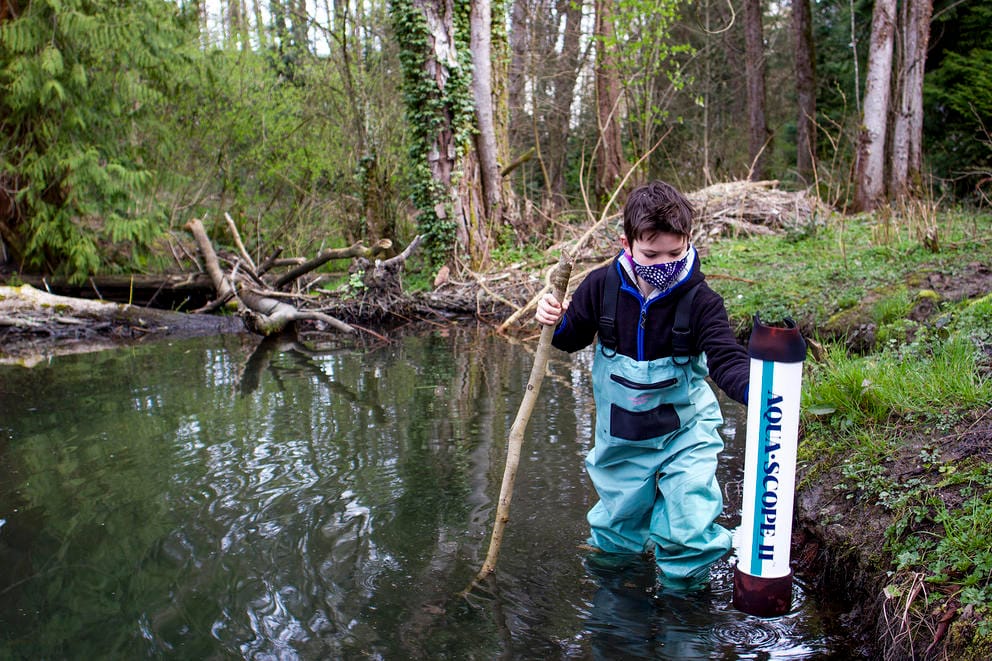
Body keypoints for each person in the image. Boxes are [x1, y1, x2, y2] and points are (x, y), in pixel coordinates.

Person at [535, 180, 750, 591]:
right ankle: (618, 619)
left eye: (675, 252)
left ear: (688, 241)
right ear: (627, 242)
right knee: (616, 536)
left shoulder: (703, 301)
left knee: (689, 528)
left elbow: (726, 359)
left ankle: (686, 613)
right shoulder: (600, 286)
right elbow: (568, 337)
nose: (664, 263)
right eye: (651, 254)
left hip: (686, 434)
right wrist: (552, 317)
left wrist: (757, 393)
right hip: (622, 439)